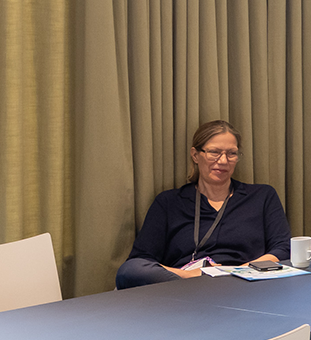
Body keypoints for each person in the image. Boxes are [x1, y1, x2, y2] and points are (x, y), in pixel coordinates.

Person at [118, 119, 290, 287]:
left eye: (231, 153)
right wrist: (193, 275)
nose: (223, 161)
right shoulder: (169, 202)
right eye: (214, 152)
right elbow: (141, 260)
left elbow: (282, 248)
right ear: (195, 155)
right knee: (130, 270)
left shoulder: (262, 196)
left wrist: (238, 271)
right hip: (186, 285)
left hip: (244, 282)